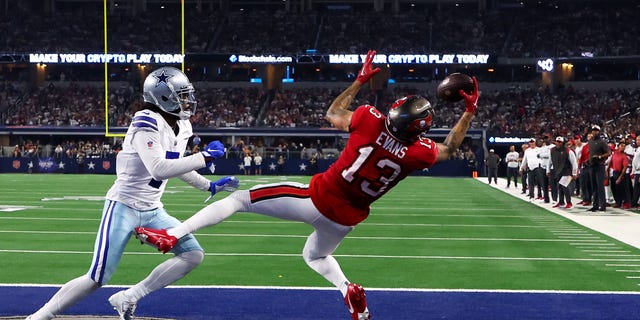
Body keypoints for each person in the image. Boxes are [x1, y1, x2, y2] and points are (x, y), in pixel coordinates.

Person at [133, 51, 479, 320]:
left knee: (240, 198)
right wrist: (468, 112)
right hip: (346, 219)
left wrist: (359, 80)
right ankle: (348, 290)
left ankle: (173, 234)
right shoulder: (418, 153)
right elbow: (449, 149)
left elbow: (333, 112)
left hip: (316, 198)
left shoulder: (370, 121)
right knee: (316, 255)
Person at [26, 67, 239, 320]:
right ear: (163, 97)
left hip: (153, 210)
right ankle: (40, 315)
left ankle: (129, 297)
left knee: (193, 255)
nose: (187, 100)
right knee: (97, 277)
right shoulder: (145, 121)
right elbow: (159, 169)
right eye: (181, 95)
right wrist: (203, 156)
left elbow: (176, 165)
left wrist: (209, 186)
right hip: (123, 206)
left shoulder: (182, 125)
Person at [546, 136, 578, 209]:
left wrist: (574, 173)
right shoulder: (552, 150)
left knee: (564, 186)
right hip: (558, 171)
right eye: (557, 141)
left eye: (559, 142)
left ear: (563, 143)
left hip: (567, 171)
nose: (558, 143)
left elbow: (574, 162)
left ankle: (569, 202)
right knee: (560, 187)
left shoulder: (568, 151)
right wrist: (548, 170)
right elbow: (549, 161)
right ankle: (561, 202)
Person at [587, 125, 611, 212]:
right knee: (594, 186)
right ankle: (595, 205)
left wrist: (600, 156)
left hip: (599, 166)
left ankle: (603, 205)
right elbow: (591, 152)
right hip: (592, 165)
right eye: (593, 130)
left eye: (596, 130)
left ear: (599, 131)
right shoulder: (590, 142)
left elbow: (609, 153)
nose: (594, 132)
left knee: (600, 186)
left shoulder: (602, 142)